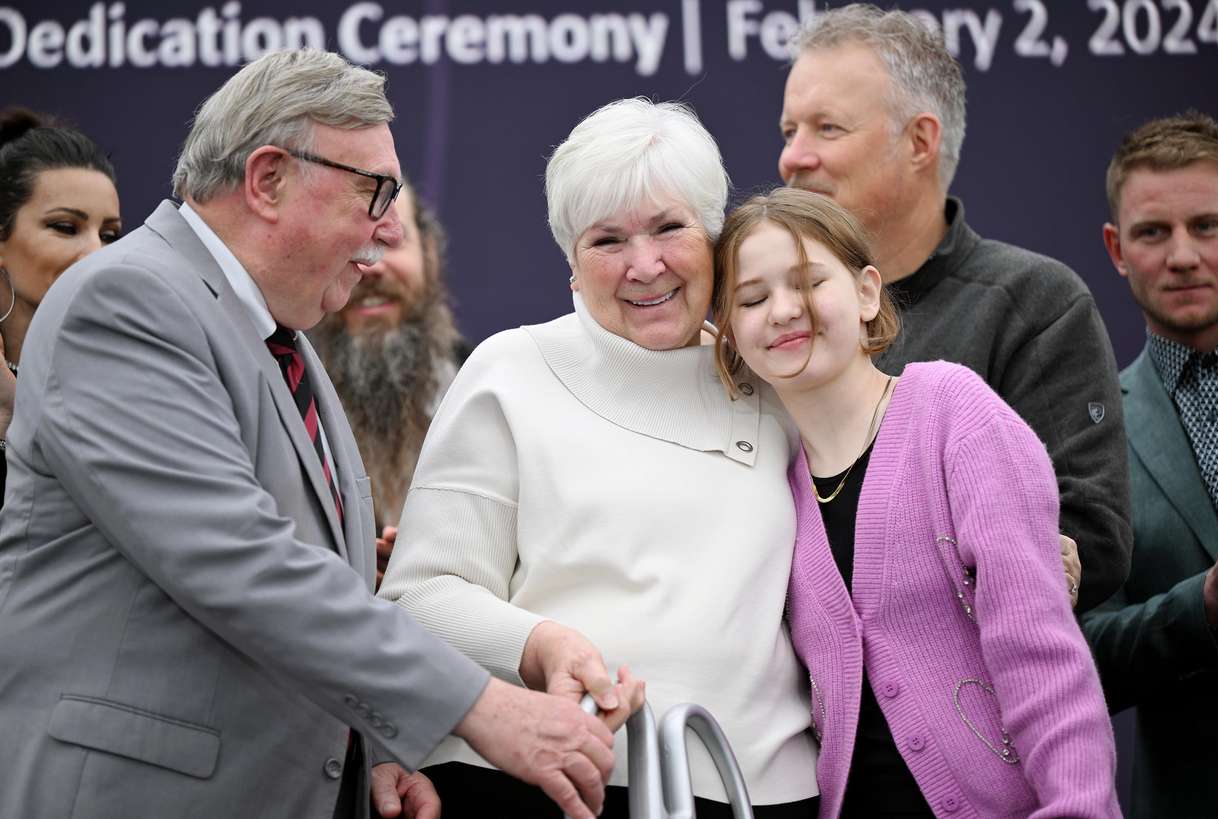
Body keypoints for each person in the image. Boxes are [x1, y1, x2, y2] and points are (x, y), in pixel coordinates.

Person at [0, 49, 635, 819]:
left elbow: (294, 583)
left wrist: (363, 750)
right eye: (374, 192)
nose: (379, 233)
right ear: (268, 179)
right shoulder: (126, 301)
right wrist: (485, 707)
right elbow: (240, 561)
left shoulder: (284, 341)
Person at [379, 98, 821, 818]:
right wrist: (540, 642)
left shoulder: (776, 383)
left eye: (670, 227)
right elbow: (419, 599)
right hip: (545, 786)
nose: (644, 264)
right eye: (607, 239)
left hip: (762, 791)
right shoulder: (511, 371)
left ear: (715, 237)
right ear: (572, 265)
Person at [713, 186, 1120, 818]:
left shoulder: (955, 415)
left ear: (867, 292)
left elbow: (1039, 648)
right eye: (753, 298)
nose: (784, 310)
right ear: (732, 335)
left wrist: (1080, 808)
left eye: (809, 282)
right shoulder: (767, 484)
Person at [778, 3, 1129, 611]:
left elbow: (1089, 533)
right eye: (789, 131)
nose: (793, 158)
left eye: (826, 129)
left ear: (919, 141)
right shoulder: (763, 321)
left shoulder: (1035, 304)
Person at [1082, 111, 1218, 818]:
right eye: (1152, 232)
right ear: (1116, 247)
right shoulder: (1088, 427)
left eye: (1207, 225)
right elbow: (1081, 650)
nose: (1182, 255)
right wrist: (1203, 607)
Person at [310, 184, 466, 585]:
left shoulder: (492, 393)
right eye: (351, 245)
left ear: (429, 255)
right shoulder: (286, 401)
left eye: (390, 240)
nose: (373, 266)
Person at [0, 107, 120, 500]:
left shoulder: (131, 372)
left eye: (109, 235)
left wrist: (17, 413)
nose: (96, 252)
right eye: (66, 227)